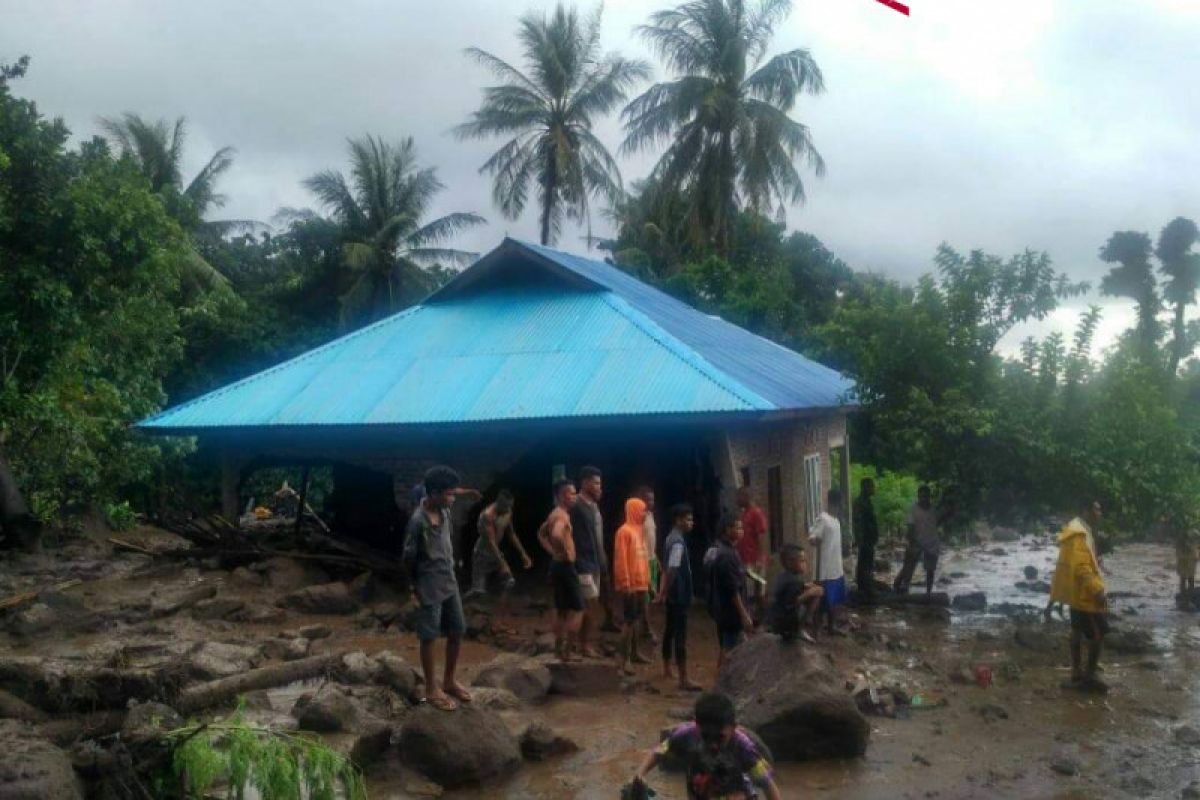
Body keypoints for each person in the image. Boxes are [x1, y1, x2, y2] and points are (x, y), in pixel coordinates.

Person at [402, 465, 472, 711]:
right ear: (433, 494)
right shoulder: (418, 522)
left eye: (454, 494)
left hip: (448, 580)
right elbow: (408, 559)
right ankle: (432, 687)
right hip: (428, 584)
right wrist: (412, 588)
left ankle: (449, 680)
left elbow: (456, 492)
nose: (453, 498)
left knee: (457, 629)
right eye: (449, 494)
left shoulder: (444, 509)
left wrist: (468, 491)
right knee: (429, 635)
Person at [631, 691, 782, 800]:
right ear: (697, 724)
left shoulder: (743, 747)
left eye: (720, 738)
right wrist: (640, 774)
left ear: (734, 727)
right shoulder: (687, 734)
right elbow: (659, 752)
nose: (713, 745)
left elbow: (767, 784)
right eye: (706, 737)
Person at [1051, 499, 1108, 693]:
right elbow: (1081, 567)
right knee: (1098, 634)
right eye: (1096, 509)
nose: (1099, 513)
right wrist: (1097, 590)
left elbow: (1083, 562)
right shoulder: (1079, 534)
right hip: (1085, 594)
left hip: (1076, 592)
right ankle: (1088, 675)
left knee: (1076, 630)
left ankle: (1076, 672)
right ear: (1085, 510)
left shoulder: (1077, 530)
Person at [537, 480, 585, 662]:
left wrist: (553, 551)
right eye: (570, 494)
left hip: (557, 565)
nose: (574, 497)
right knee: (579, 608)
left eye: (574, 493)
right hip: (565, 566)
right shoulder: (562, 516)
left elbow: (541, 534)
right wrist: (564, 551)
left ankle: (559, 650)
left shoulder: (554, 514)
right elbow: (556, 534)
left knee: (562, 608)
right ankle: (568, 651)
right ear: (561, 496)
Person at [657, 503, 702, 691]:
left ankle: (667, 667)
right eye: (688, 519)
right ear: (678, 520)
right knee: (680, 634)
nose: (691, 523)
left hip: (674, 592)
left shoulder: (670, 538)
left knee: (669, 629)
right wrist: (665, 590)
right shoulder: (677, 542)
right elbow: (673, 568)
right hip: (679, 592)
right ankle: (683, 678)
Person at [465, 490, 533, 610]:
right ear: (498, 503)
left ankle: (501, 610)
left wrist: (523, 554)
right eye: (506, 506)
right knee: (478, 592)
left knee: (509, 581)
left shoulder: (507, 511)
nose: (508, 509)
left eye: (510, 506)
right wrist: (503, 564)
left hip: (495, 553)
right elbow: (491, 542)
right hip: (482, 554)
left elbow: (511, 534)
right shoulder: (487, 515)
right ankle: (460, 604)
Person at [706, 514, 754, 673]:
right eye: (738, 528)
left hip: (723, 610)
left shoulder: (724, 550)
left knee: (727, 647)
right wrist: (744, 615)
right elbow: (732, 590)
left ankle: (721, 681)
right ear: (727, 530)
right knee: (731, 650)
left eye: (742, 528)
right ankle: (722, 683)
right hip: (730, 611)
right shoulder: (727, 555)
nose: (741, 531)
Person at [570, 466, 608, 657]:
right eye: (595, 483)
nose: (599, 487)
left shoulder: (594, 506)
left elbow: (597, 535)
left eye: (600, 483)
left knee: (589, 607)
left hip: (594, 562)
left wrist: (602, 558)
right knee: (587, 605)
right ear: (584, 483)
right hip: (581, 563)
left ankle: (583, 645)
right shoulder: (575, 504)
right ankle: (571, 645)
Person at [614, 497, 653, 674]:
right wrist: (625, 583)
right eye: (643, 510)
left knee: (636, 620)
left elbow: (643, 559)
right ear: (635, 510)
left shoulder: (640, 531)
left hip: (642, 584)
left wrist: (649, 581)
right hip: (631, 586)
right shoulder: (624, 532)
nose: (646, 513)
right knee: (628, 622)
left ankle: (635, 653)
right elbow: (621, 560)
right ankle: (623, 660)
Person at [809, 489, 847, 635]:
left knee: (834, 600)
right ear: (835, 503)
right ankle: (815, 631)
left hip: (836, 568)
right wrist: (815, 540)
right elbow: (812, 538)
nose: (842, 507)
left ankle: (831, 627)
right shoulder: (823, 519)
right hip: (824, 570)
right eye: (841, 503)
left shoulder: (836, 520)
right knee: (820, 603)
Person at [767, 544, 823, 643]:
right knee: (817, 593)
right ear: (790, 562)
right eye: (802, 561)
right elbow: (790, 604)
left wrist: (805, 586)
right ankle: (800, 628)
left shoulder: (783, 575)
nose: (805, 564)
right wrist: (809, 593)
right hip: (783, 623)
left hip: (775, 619)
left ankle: (799, 628)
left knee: (814, 590)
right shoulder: (793, 581)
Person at [893, 485, 941, 596]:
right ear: (918, 496)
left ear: (929, 497)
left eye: (926, 496)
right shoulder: (913, 509)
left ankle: (928, 593)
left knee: (930, 570)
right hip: (916, 541)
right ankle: (900, 587)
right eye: (922, 496)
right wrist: (912, 541)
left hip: (932, 543)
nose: (924, 499)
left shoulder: (934, 510)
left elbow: (938, 521)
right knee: (908, 568)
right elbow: (910, 527)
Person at [735, 487, 769, 618]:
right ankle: (752, 619)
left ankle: (762, 621)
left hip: (754, 560)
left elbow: (761, 536)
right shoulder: (745, 513)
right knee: (748, 592)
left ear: (746, 496)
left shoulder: (756, 513)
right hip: (745, 559)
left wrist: (760, 558)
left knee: (759, 592)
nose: (737, 500)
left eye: (739, 497)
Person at [637, 486, 660, 645]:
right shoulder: (638, 518)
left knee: (651, 597)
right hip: (643, 561)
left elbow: (651, 539)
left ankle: (645, 625)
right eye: (648, 499)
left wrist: (656, 558)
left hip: (652, 560)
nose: (651, 502)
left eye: (652, 499)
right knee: (644, 596)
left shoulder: (650, 515)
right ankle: (646, 628)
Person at [854, 477, 879, 600]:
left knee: (868, 563)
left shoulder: (867, 501)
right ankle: (864, 588)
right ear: (865, 488)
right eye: (871, 486)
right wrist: (860, 540)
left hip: (869, 539)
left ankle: (866, 586)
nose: (873, 489)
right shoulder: (860, 503)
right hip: (865, 539)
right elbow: (858, 523)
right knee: (865, 563)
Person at [1174, 516, 1197, 609]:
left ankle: (1187, 600)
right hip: (1186, 560)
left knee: (1187, 580)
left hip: (1188, 560)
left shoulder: (1193, 534)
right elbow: (1178, 551)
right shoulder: (1183, 536)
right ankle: (1185, 601)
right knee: (1186, 580)